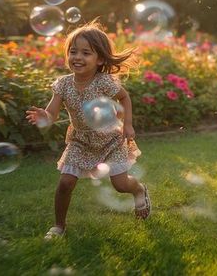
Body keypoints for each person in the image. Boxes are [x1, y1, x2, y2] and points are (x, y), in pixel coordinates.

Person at [26, 20, 150, 240]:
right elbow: (52, 113)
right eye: (73, 51)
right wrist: (44, 116)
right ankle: (59, 226)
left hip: (111, 139)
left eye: (86, 53)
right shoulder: (63, 84)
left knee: (121, 185)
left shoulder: (104, 82)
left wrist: (128, 124)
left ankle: (139, 190)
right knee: (65, 182)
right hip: (80, 140)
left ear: (100, 59)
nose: (78, 57)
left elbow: (124, 97)